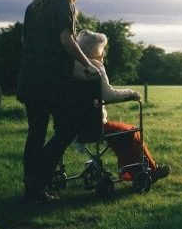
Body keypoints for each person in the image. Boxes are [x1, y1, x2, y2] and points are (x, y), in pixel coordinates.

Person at [17, 0, 100, 203]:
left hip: (29, 77)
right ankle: (38, 178)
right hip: (51, 80)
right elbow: (66, 39)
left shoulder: (34, 5)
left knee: (36, 133)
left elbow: (26, 42)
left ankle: (32, 188)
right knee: (67, 129)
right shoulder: (65, 2)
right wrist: (87, 64)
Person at [73, 30, 171, 183]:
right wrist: (131, 93)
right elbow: (109, 95)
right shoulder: (95, 66)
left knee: (120, 132)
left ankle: (137, 170)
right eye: (102, 48)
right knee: (131, 132)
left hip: (72, 125)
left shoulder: (71, 65)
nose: (103, 52)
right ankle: (147, 170)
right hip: (94, 125)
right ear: (94, 50)